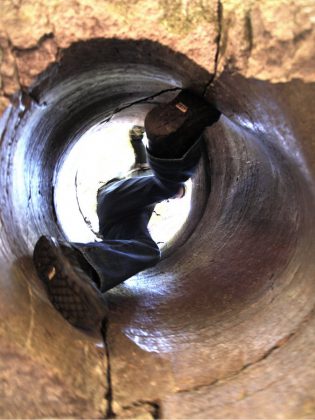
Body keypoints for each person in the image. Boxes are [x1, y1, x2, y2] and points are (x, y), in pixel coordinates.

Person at [33, 89, 221, 333]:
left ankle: (82, 265)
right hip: (114, 198)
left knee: (147, 250)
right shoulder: (141, 173)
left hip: (119, 224)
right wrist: (139, 142)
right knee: (165, 184)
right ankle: (167, 139)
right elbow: (144, 167)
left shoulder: (148, 184)